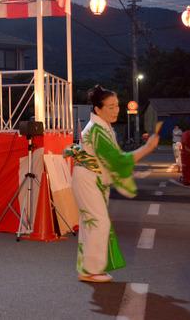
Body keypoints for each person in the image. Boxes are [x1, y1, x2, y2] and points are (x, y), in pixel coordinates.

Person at [65, 85, 159, 283]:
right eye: (110, 107)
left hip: (92, 178)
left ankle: (88, 268)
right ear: (97, 109)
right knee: (98, 223)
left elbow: (113, 160)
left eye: (117, 105)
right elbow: (118, 161)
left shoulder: (103, 127)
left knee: (93, 223)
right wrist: (147, 148)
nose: (116, 110)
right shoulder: (97, 130)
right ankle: (91, 269)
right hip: (89, 179)